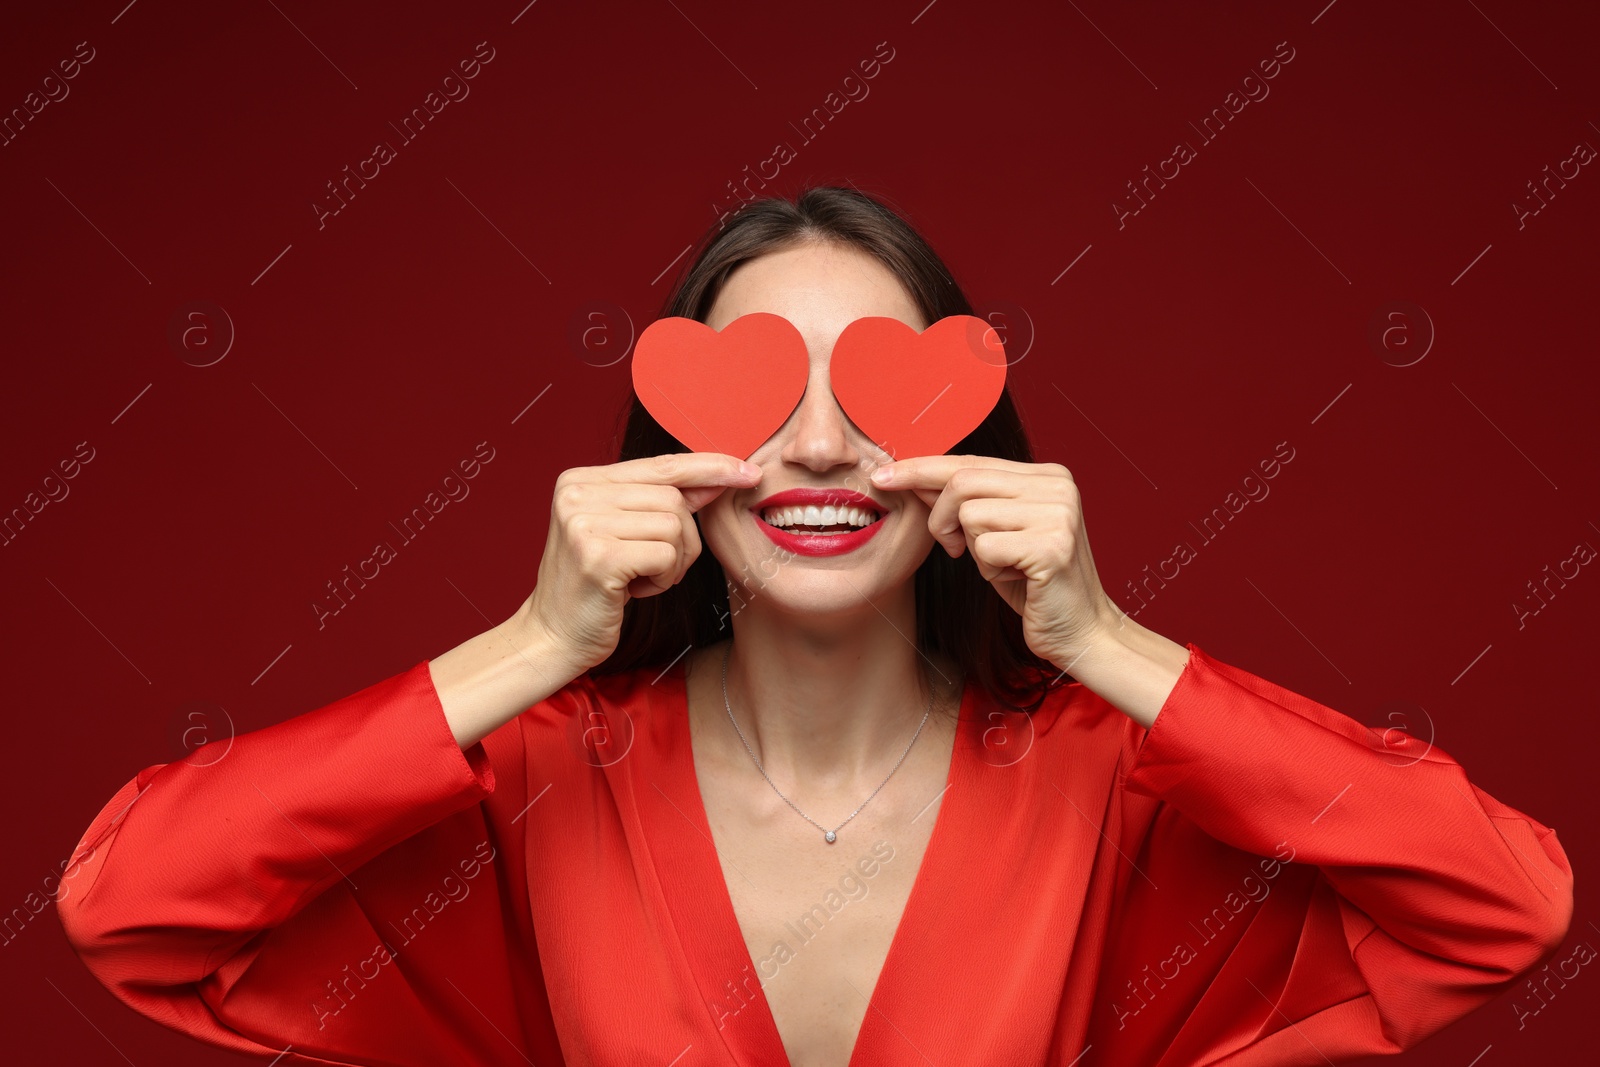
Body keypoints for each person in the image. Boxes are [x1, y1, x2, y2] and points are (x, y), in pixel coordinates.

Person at [58, 186, 1573, 1067]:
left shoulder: (1106, 770)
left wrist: (1107, 638)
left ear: (975, 436)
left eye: (885, 394)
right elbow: (132, 904)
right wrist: (531, 641)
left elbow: (1506, 905)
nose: (826, 452)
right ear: (666, 446)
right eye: (759, 394)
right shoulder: (537, 772)